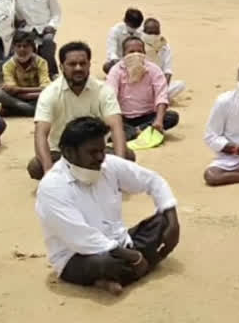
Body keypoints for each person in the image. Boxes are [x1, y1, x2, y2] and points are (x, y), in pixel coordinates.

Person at [35, 117, 179, 295]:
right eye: (92, 152)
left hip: (122, 242)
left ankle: (114, 278)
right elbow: (82, 239)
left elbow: (153, 181)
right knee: (104, 263)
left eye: (102, 150)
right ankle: (132, 269)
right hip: (79, 256)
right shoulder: (52, 187)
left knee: (164, 222)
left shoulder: (108, 164)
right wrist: (135, 256)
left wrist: (173, 221)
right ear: (68, 152)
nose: (100, 158)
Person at [28, 41, 134, 181]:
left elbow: (116, 127)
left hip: (96, 153)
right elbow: (40, 134)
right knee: (36, 167)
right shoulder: (50, 93)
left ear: (89, 65)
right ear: (61, 67)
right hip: (63, 153)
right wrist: (48, 170)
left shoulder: (103, 90)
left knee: (127, 156)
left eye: (83, 63)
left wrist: (121, 166)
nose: (78, 68)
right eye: (72, 64)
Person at [106, 36, 180, 140]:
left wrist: (158, 120)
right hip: (123, 117)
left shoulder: (154, 70)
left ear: (144, 53)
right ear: (124, 55)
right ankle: (137, 132)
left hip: (148, 116)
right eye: (131, 52)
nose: (136, 55)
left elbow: (161, 96)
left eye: (139, 51)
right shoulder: (116, 71)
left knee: (171, 117)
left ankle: (134, 131)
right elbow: (110, 96)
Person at [2, 0, 61, 78]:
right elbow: (3, 3)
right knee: (16, 45)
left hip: (44, 27)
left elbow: (56, 13)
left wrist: (51, 26)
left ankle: (51, 74)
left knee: (48, 43)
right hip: (25, 27)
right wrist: (14, 19)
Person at [0, 31, 50, 116]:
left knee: (52, 93)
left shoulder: (41, 62)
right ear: (14, 48)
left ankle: (18, 109)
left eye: (25, 46)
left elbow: (46, 87)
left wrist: (19, 90)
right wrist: (20, 92)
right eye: (18, 46)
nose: (22, 49)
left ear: (32, 48)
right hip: (20, 98)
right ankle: (30, 110)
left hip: (35, 97)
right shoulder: (8, 65)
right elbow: (11, 88)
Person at [140, 18, 186, 100]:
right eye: (150, 33)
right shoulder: (138, 43)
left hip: (159, 84)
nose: (153, 35)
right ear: (144, 31)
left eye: (156, 32)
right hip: (141, 84)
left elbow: (168, 71)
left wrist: (162, 90)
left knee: (180, 85)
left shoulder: (164, 46)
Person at [103, 8, 144, 74]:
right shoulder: (115, 31)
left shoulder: (142, 30)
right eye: (132, 26)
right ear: (125, 21)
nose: (134, 29)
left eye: (136, 27)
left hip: (138, 61)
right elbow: (111, 52)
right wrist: (119, 62)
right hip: (120, 61)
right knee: (107, 67)